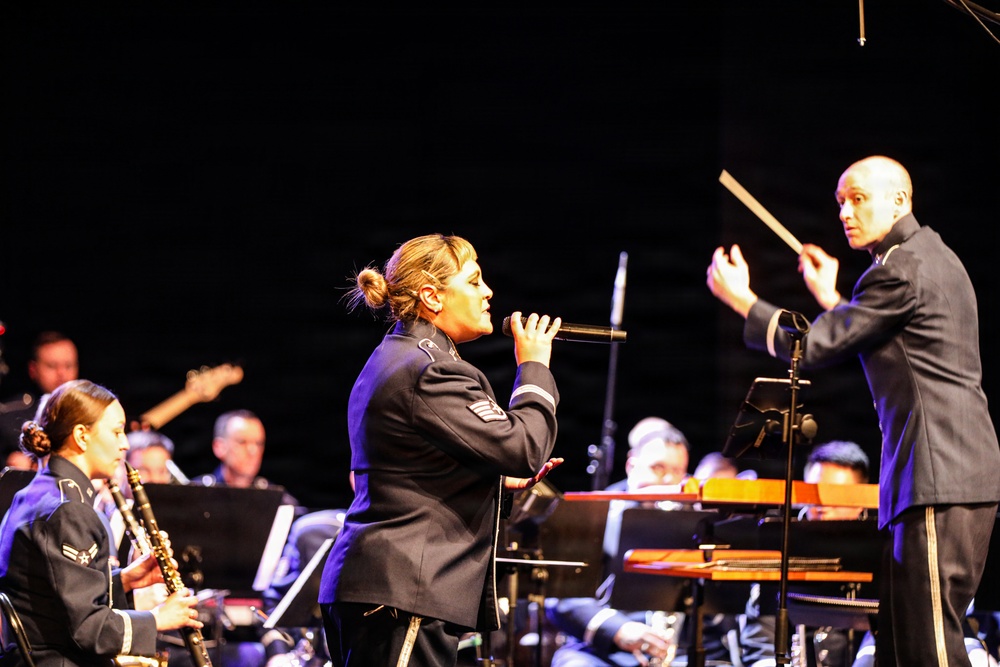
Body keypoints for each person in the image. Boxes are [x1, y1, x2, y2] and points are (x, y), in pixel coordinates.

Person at [706, 155, 1000, 665]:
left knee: (927, 648)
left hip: (938, 475)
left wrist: (743, 300)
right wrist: (830, 296)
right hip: (953, 473)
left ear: (899, 200)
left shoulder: (902, 269)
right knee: (902, 643)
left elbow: (817, 346)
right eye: (841, 201)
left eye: (858, 198)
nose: (845, 212)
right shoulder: (925, 259)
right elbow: (880, 339)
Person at [317, 233, 564, 667]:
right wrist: (535, 368)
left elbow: (415, 468)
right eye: (474, 281)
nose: (488, 292)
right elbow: (526, 446)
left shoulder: (401, 356)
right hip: (403, 591)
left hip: (385, 588)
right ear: (432, 296)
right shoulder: (431, 370)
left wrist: (497, 480)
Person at [0, 379, 203, 665]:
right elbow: (86, 628)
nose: (125, 444)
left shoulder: (36, 493)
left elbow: (56, 596)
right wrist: (157, 619)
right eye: (117, 431)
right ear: (82, 436)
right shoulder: (69, 509)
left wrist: (127, 580)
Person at [547, 417, 741, 667]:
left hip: (679, 653)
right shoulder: (596, 512)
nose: (670, 481)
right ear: (631, 466)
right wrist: (619, 629)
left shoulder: (698, 518)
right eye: (658, 468)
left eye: (678, 472)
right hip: (604, 651)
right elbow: (562, 597)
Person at [0, 330, 79, 466]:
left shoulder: (90, 412)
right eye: (52, 366)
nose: (61, 373)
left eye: (68, 365)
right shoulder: (8, 415)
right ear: (33, 369)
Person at [193, 409, 299, 508]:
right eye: (242, 442)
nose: (253, 451)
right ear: (219, 447)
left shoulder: (279, 502)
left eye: (258, 443)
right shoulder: (195, 495)